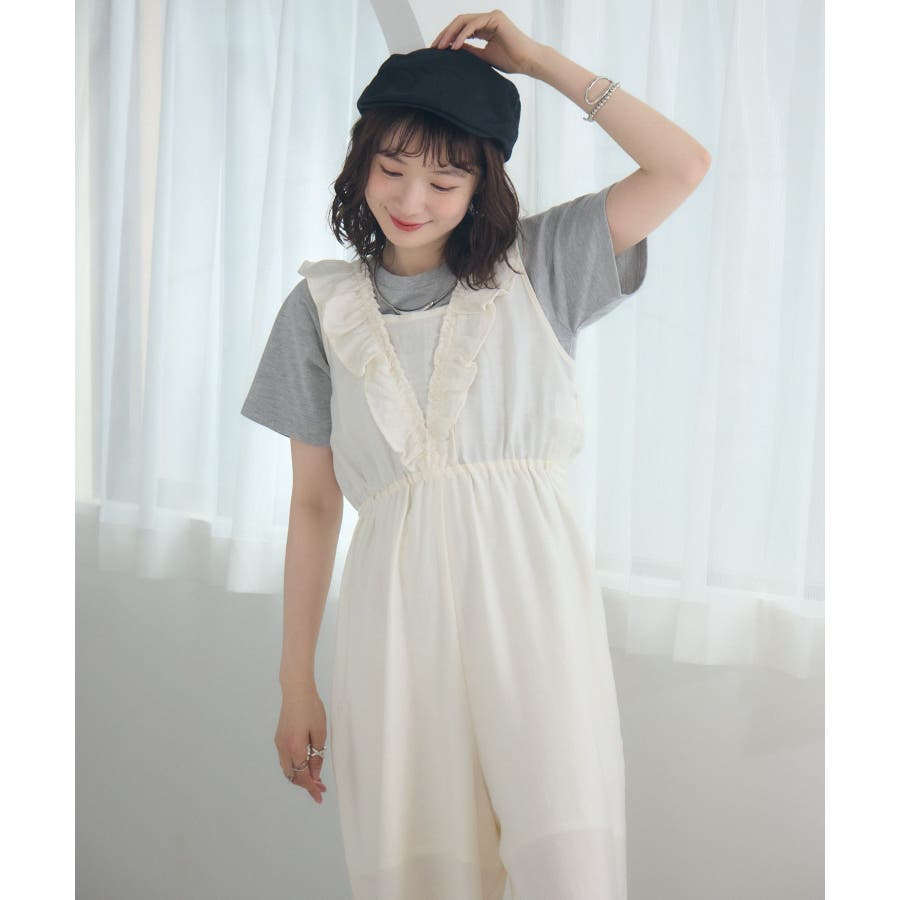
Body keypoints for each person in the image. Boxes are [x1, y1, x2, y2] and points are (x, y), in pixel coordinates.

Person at [241, 11, 709, 900]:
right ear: (360, 164)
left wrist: (539, 62)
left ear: (483, 185)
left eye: (445, 179)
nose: (412, 199)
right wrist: (295, 680)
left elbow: (682, 166)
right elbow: (314, 503)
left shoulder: (544, 265)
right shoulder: (318, 310)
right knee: (423, 870)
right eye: (391, 168)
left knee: (564, 864)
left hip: (533, 608)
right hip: (395, 623)